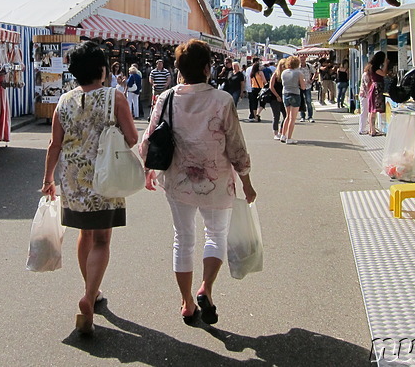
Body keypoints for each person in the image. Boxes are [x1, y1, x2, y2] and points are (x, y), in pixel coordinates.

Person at [140, 39, 256, 327]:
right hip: (216, 181)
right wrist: (247, 182)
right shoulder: (222, 100)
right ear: (207, 68)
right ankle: (206, 287)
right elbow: (236, 147)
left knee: (183, 238)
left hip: (177, 180)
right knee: (215, 234)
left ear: (178, 69)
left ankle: (187, 302)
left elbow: (148, 140)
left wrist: (148, 170)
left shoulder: (166, 98)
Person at [41, 41, 138, 336]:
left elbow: (54, 144)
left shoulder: (64, 101)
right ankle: (88, 296)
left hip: (72, 178)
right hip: (104, 176)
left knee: (84, 234)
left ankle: (92, 292)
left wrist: (48, 180)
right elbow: (132, 138)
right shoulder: (115, 97)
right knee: (102, 240)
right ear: (102, 69)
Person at [280, 56, 306, 144]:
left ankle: (283, 135)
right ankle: (289, 138)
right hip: (295, 94)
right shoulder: (299, 73)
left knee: (287, 116)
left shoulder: (283, 72)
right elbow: (303, 87)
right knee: (292, 118)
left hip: (285, 93)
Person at [366, 51, 389, 137]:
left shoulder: (372, 67)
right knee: (374, 110)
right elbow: (384, 74)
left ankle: (371, 129)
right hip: (377, 89)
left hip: (374, 88)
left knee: (372, 110)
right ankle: (373, 130)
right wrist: (386, 64)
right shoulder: (376, 68)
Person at [268, 59, 285, 140]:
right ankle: (275, 132)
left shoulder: (286, 75)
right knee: (276, 116)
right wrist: (277, 96)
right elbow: (271, 86)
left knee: (286, 115)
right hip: (274, 98)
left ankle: (282, 131)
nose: (284, 66)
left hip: (284, 97)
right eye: (282, 65)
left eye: (285, 65)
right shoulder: (275, 74)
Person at [297, 55, 315, 123]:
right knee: (301, 101)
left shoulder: (309, 66)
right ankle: (302, 116)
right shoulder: (297, 67)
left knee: (308, 101)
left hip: (308, 86)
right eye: (301, 58)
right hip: (300, 86)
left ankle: (310, 116)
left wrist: (312, 80)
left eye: (303, 58)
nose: (302, 59)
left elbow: (315, 72)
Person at [358, 69, 371, 135]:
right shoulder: (366, 75)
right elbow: (367, 85)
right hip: (364, 96)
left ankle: (365, 128)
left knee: (366, 112)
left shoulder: (366, 74)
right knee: (364, 112)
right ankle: (362, 129)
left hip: (365, 95)